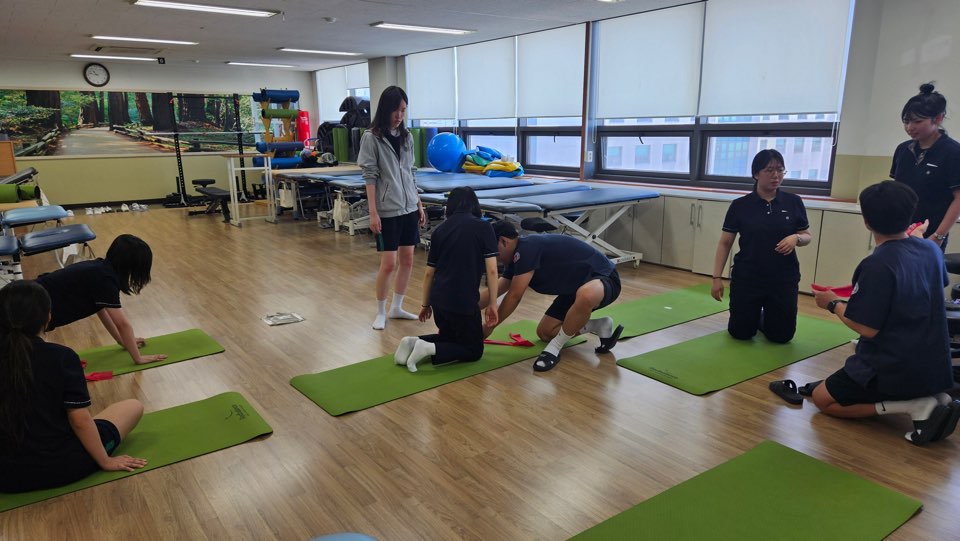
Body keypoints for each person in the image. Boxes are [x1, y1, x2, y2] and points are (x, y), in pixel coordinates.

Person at [811, 181, 959, 445]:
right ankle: (929, 396)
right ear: (910, 215)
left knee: (822, 399)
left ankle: (911, 405)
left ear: (867, 222)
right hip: (936, 363)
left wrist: (832, 304)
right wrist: (918, 236)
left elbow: (866, 328)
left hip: (894, 365)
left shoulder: (877, 264)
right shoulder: (931, 250)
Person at [0, 281, 147, 493]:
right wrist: (105, 461)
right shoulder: (62, 357)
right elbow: (79, 421)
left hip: (6, 476)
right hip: (63, 466)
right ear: (48, 317)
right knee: (133, 406)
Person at [481, 221, 624, 372]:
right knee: (546, 332)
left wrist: (488, 328)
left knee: (587, 294)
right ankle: (600, 325)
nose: (493, 258)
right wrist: (467, 308)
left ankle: (554, 348)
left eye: (493, 252)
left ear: (504, 241)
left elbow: (514, 296)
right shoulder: (515, 260)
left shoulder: (526, 248)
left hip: (605, 278)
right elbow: (494, 291)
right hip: (575, 288)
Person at [711, 149, 812, 343]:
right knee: (740, 333)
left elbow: (807, 236)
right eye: (769, 170)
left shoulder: (793, 201)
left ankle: (767, 316)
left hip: (783, 278)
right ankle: (752, 314)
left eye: (780, 170)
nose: (776, 175)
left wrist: (796, 238)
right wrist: (716, 278)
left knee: (781, 337)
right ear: (756, 174)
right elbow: (725, 243)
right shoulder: (740, 205)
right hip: (748, 277)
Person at [396, 187, 499, 372]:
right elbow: (492, 271)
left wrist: (425, 304)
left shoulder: (440, 230)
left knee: (452, 338)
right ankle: (428, 348)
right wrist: (493, 304)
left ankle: (412, 342)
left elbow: (429, 273)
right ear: (474, 205)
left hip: (439, 301)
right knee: (474, 350)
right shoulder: (484, 227)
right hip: (463, 301)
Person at [36, 234, 166, 365]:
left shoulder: (101, 269)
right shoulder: (106, 279)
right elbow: (123, 324)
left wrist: (122, 340)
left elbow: (101, 309)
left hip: (34, 298)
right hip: (32, 305)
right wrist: (138, 358)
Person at [358, 85, 426, 330]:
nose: (400, 115)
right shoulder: (371, 137)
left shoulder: (407, 137)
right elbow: (370, 176)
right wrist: (373, 212)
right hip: (387, 210)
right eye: (396, 110)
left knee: (407, 260)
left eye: (403, 110)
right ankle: (380, 312)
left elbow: (410, 173)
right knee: (388, 264)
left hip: (409, 207)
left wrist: (418, 203)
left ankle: (397, 307)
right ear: (385, 109)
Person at [891, 83, 960, 252]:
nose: (910, 127)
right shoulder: (903, 150)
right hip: (897, 233)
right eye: (906, 122)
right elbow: (895, 192)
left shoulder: (952, 152)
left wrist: (938, 236)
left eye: (917, 121)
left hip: (930, 235)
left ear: (938, 118)